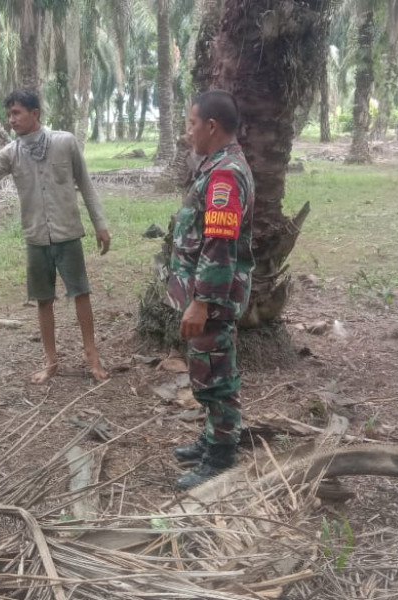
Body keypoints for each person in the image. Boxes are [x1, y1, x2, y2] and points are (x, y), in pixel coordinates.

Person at [0, 89, 111, 384]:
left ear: (35, 114)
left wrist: (100, 224)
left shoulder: (65, 142)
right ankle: (51, 361)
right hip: (36, 238)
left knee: (81, 293)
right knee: (43, 299)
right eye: (9, 114)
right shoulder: (10, 154)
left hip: (68, 235)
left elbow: (86, 185)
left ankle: (92, 355)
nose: (11, 119)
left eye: (17, 113)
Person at [165, 90, 255, 490]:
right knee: (207, 370)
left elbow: (219, 246)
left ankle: (221, 456)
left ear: (211, 126)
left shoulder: (224, 175)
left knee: (216, 376)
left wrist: (201, 303)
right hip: (208, 296)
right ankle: (211, 438)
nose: (187, 133)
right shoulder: (217, 166)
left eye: (191, 124)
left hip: (213, 299)